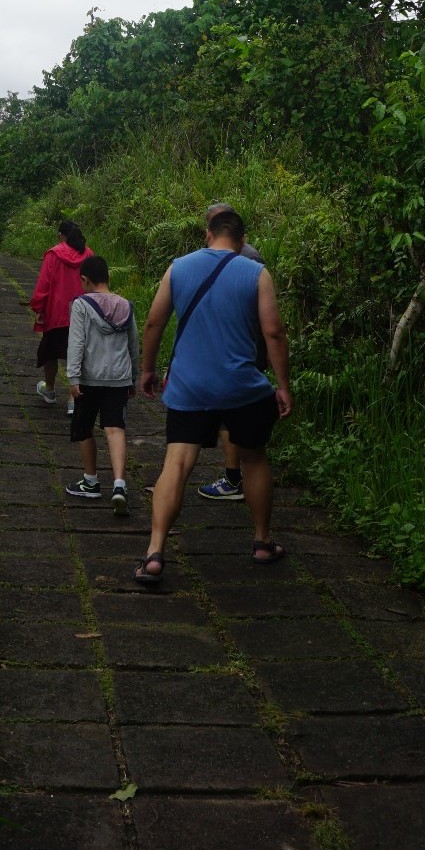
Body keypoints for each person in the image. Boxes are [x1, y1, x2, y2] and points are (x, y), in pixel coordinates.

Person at [132, 207, 292, 589]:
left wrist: (147, 369)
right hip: (242, 387)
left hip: (190, 386)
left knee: (178, 462)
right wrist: (282, 384)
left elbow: (154, 321)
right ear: (241, 240)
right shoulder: (256, 273)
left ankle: (155, 552)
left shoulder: (179, 267)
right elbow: (274, 332)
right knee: (253, 458)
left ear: (208, 233)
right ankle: (262, 542)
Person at [198, 200, 265, 504]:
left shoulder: (241, 259)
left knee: (228, 416)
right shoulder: (252, 257)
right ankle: (238, 474)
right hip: (250, 346)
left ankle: (233, 477)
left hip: (235, 348)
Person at [64, 254, 138, 515]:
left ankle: (91, 481)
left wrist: (72, 376)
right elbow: (133, 345)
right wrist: (134, 378)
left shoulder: (81, 305)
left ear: (84, 280)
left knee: (84, 428)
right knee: (115, 429)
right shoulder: (126, 305)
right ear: (108, 277)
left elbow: (76, 343)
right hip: (119, 378)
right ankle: (119, 484)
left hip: (89, 378)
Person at [29, 219, 89, 409]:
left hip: (57, 313)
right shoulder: (88, 254)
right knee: (78, 355)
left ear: (62, 236)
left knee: (51, 353)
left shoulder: (53, 254)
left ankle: (50, 390)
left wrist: (39, 308)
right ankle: (73, 399)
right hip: (82, 313)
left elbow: (44, 284)